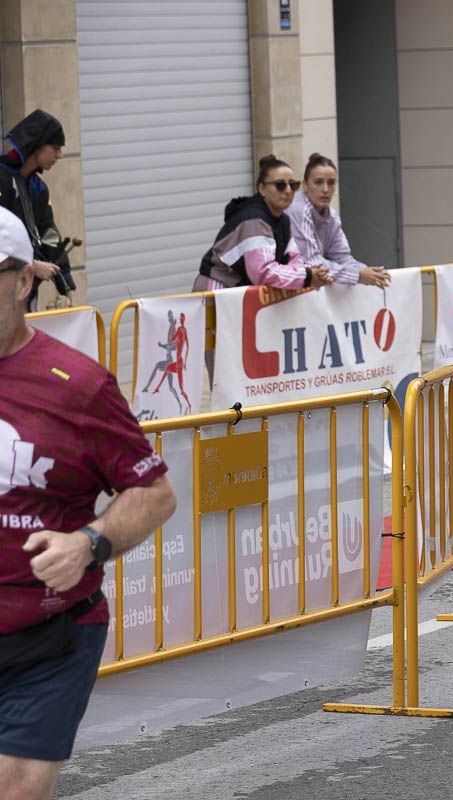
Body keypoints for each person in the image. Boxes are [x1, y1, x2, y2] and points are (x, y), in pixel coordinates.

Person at [0, 205, 177, 800]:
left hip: (46, 634)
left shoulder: (76, 384)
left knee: (15, 787)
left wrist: (88, 543)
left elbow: (153, 492)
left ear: (24, 280)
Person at [193, 154, 333, 291]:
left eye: (293, 185)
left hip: (239, 292)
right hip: (218, 287)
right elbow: (263, 272)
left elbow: (294, 259)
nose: (288, 190)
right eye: (280, 185)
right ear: (262, 189)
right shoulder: (253, 219)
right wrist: (307, 275)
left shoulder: (283, 219)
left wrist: (312, 273)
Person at [0, 110, 74, 311]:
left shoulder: (38, 188)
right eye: (55, 148)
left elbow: (48, 233)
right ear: (37, 145)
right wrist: (31, 265)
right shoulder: (1, 180)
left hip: (24, 290)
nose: (59, 155)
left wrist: (65, 283)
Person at [285, 153, 390, 288]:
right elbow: (313, 262)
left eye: (331, 183)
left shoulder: (332, 216)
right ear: (305, 185)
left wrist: (372, 273)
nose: (325, 189)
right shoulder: (299, 209)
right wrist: (358, 275)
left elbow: (343, 257)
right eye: (318, 182)